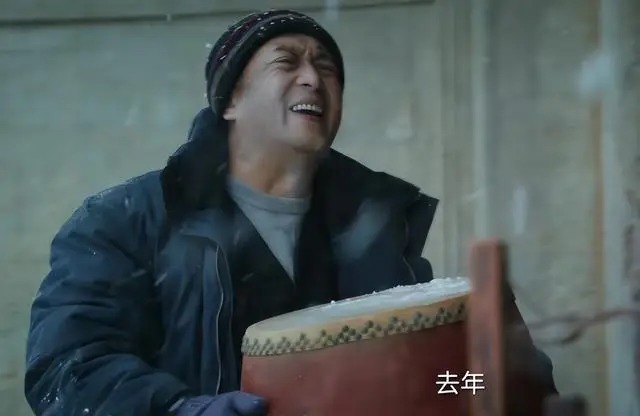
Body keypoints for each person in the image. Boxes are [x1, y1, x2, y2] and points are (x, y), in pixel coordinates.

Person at [24, 9, 558, 416]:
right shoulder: (123, 219)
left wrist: (493, 379)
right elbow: (66, 368)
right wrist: (178, 409)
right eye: (287, 61)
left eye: (326, 67)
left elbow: (435, 378)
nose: (312, 78)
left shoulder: (375, 228)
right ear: (230, 102)